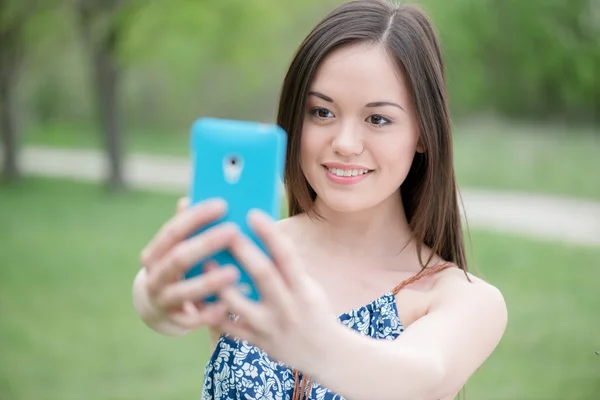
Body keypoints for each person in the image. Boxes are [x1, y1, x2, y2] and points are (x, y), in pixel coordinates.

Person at [132, 0, 508, 399]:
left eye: (377, 119)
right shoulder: (253, 255)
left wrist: (317, 345)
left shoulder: (461, 299)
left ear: (422, 134)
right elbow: (157, 303)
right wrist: (157, 299)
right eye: (322, 112)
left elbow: (423, 376)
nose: (344, 144)